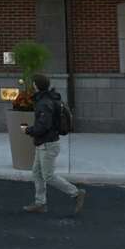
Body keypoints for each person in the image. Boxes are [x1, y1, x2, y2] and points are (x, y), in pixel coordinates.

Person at [21, 73, 86, 214]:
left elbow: (43, 126)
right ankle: (40, 203)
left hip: (47, 144)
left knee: (48, 176)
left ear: (36, 86)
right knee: (37, 172)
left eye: (33, 83)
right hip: (44, 143)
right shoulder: (48, 99)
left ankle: (76, 193)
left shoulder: (44, 103)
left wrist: (28, 130)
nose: (32, 85)